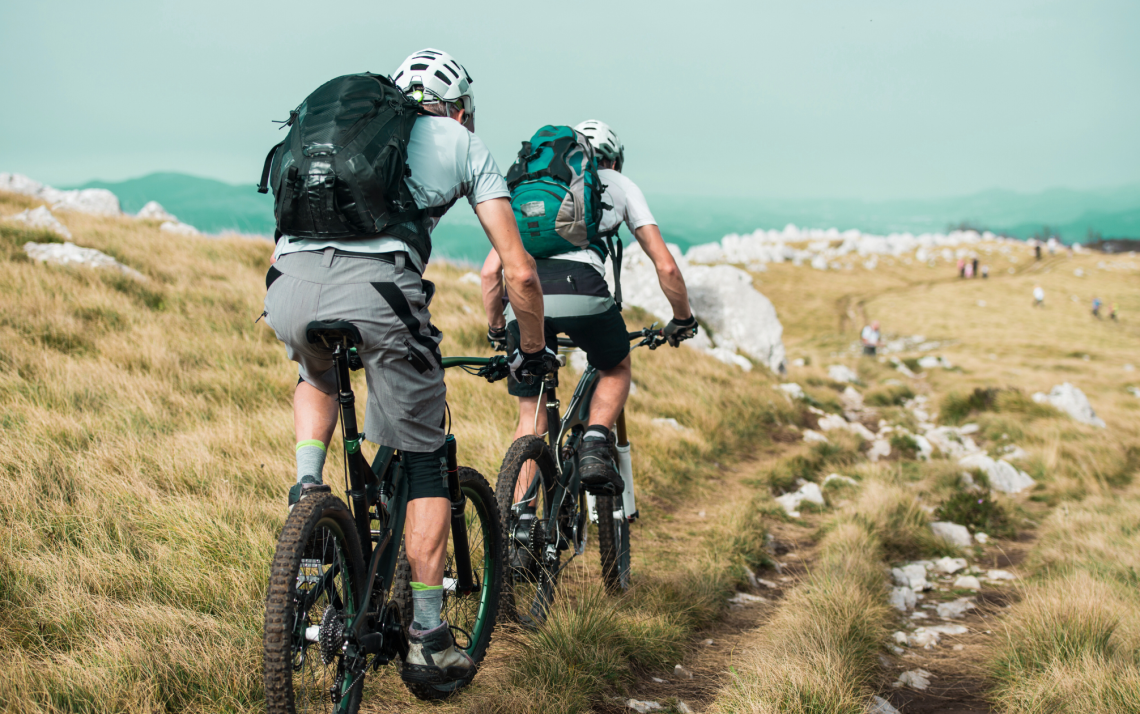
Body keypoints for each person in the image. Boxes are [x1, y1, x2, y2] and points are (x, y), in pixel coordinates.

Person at [263, 48, 555, 687]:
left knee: (316, 374)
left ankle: (307, 488)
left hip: (285, 289)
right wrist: (529, 352)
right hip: (378, 296)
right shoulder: (459, 142)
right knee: (426, 460)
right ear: (459, 107)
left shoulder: (339, 131)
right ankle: (426, 636)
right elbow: (520, 270)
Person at [481, 119, 697, 497]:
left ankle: (516, 523)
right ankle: (596, 442)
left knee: (530, 420)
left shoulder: (535, 188)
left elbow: (489, 273)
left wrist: (498, 327)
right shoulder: (619, 184)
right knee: (615, 365)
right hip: (584, 292)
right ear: (612, 161)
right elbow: (665, 265)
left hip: (524, 300)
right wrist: (683, 318)